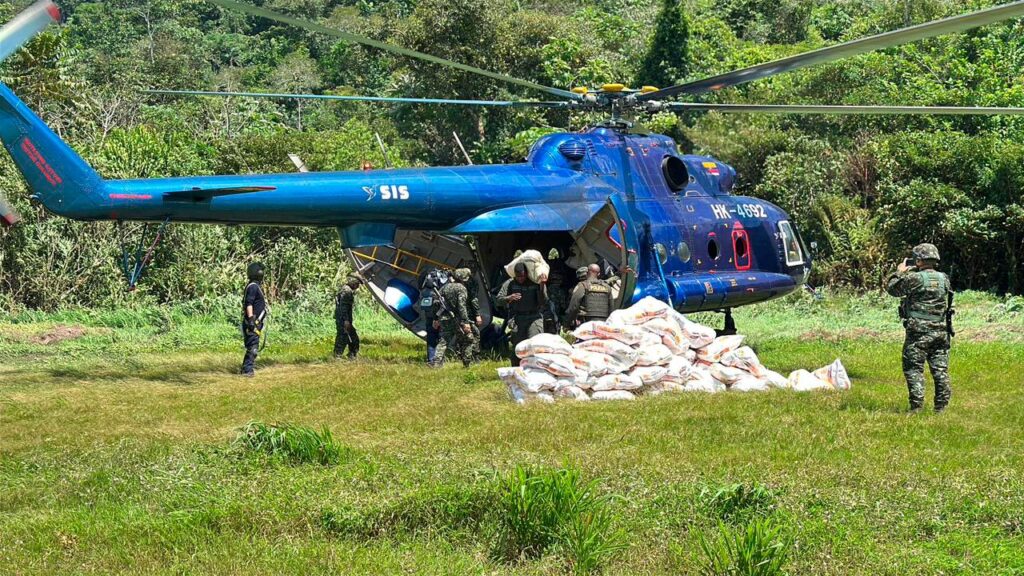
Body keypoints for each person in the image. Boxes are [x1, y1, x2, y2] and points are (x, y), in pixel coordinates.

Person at [885, 243, 954, 413]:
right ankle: (941, 408)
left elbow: (892, 289)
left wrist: (900, 271)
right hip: (940, 331)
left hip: (918, 333)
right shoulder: (943, 278)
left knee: (913, 369)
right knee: (940, 370)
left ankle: (916, 407)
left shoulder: (915, 278)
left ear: (919, 260)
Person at [496, 262, 548, 366]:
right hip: (518, 318)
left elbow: (543, 301)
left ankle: (535, 369)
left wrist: (542, 285)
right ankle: (517, 371)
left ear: (527, 274)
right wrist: (509, 298)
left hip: (534, 317)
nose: (521, 279)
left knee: (535, 344)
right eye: (518, 276)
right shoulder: (510, 283)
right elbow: (498, 300)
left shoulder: (535, 282)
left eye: (523, 276)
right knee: (518, 348)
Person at [433, 268, 475, 368]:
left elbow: (435, 303)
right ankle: (466, 364)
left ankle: (436, 364)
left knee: (443, 341)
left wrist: (435, 318)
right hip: (458, 320)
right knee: (468, 340)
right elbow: (461, 306)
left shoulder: (444, 287)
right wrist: (465, 322)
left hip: (444, 318)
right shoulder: (461, 288)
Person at [241, 262, 267, 377]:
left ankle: (246, 369)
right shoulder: (252, 286)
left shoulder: (254, 286)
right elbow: (249, 303)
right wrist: (251, 320)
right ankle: (247, 371)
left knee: (253, 346)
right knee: (253, 347)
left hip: (256, 322)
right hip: (252, 322)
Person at [333, 273, 362, 359]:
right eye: (357, 284)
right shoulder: (347, 291)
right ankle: (337, 356)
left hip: (344, 319)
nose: (358, 286)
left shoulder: (346, 290)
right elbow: (343, 307)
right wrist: (346, 321)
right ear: (353, 282)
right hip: (343, 320)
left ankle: (351, 355)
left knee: (353, 338)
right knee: (343, 337)